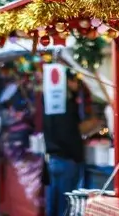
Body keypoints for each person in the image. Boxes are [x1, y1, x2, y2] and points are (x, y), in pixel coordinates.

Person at [43, 73, 86, 216]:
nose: (77, 85)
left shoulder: (50, 103)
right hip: (66, 160)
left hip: (53, 159)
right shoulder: (68, 106)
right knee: (66, 207)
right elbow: (69, 134)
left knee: (54, 205)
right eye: (74, 81)